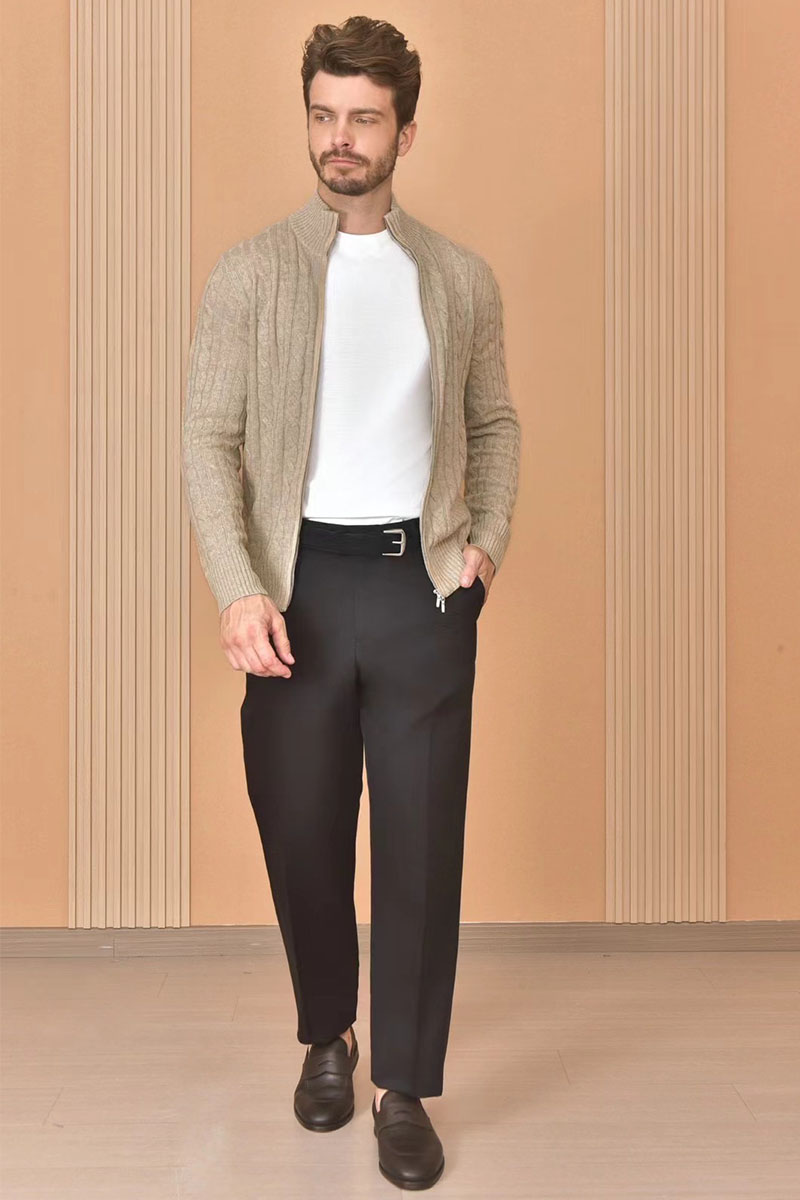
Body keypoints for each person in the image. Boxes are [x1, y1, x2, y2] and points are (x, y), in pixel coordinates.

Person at [181, 15, 521, 1191]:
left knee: (421, 846)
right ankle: (327, 1034)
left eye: (363, 119)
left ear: (402, 133)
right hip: (297, 590)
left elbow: (492, 424)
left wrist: (483, 547)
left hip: (420, 588)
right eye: (324, 115)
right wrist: (237, 588)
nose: (340, 138)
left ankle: (404, 1090)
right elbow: (207, 441)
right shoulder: (251, 273)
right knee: (302, 827)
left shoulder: (457, 278)